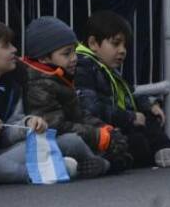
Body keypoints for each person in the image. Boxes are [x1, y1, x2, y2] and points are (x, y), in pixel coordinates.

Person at [0, 18, 107, 183]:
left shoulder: (12, 84)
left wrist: (28, 124)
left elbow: (9, 130)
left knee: (69, 141)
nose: (14, 50)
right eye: (6, 46)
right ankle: (34, 174)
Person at [74, 11, 170, 168]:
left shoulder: (105, 66)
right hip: (101, 130)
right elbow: (91, 108)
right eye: (115, 43)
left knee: (149, 118)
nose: (122, 50)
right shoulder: (83, 67)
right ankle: (162, 153)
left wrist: (148, 104)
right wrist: (129, 117)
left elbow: (128, 93)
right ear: (93, 43)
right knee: (138, 143)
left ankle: (168, 151)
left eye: (124, 45)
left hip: (116, 123)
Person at [20, 16, 130, 172]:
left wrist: (105, 128)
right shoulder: (40, 84)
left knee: (121, 143)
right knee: (73, 142)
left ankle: (99, 162)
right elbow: (55, 126)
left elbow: (78, 114)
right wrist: (98, 136)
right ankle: (92, 163)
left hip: (68, 133)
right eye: (66, 54)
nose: (74, 59)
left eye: (74, 52)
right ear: (44, 58)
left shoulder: (60, 76)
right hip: (48, 139)